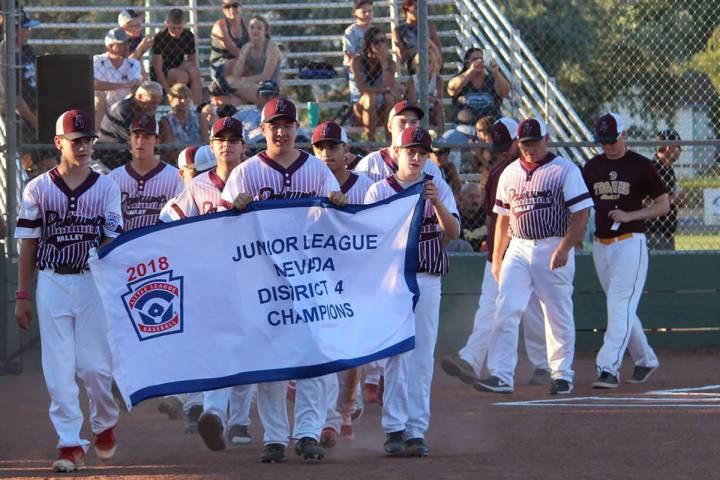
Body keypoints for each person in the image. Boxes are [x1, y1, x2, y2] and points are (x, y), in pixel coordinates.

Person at [218, 98, 348, 463]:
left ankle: (307, 432)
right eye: (274, 124)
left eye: (287, 124)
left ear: (296, 129)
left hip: (308, 277)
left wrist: (338, 203)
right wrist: (235, 208)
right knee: (270, 357)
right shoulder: (245, 173)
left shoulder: (316, 170)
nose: (281, 130)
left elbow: (336, 223)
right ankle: (274, 435)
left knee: (312, 356)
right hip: (264, 278)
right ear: (262, 130)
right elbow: (222, 225)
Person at [14, 110, 122, 472]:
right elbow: (28, 244)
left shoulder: (105, 186)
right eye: (76, 141)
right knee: (58, 369)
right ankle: (70, 443)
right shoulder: (38, 188)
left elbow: (112, 239)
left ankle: (104, 422)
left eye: (88, 140)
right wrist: (22, 295)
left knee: (94, 368)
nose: (85, 146)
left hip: (91, 280)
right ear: (59, 143)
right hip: (52, 281)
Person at [475, 117, 593, 395]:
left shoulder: (565, 170)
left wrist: (564, 247)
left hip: (552, 244)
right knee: (505, 310)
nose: (530, 149)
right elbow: (503, 219)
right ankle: (502, 374)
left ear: (546, 140)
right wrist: (498, 256)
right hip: (518, 246)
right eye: (525, 144)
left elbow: (581, 215)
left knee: (557, 313)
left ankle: (562, 374)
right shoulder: (510, 172)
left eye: (534, 143)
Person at [365, 126, 460, 457]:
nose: (416, 157)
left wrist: (437, 205)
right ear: (397, 154)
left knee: (422, 358)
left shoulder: (437, 188)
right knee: (396, 355)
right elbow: (367, 240)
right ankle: (394, 428)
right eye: (410, 151)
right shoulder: (379, 190)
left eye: (422, 152)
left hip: (428, 279)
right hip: (392, 283)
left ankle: (416, 429)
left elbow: (454, 231)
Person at [442, 118, 552, 390]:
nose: (505, 151)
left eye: (509, 144)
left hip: (533, 249)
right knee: (491, 310)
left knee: (533, 312)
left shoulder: (545, 168)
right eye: (500, 146)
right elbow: (495, 219)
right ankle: (473, 360)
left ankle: (543, 365)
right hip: (505, 252)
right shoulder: (500, 171)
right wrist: (496, 251)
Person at [582, 113, 669, 388]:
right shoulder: (592, 166)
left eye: (612, 140)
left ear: (624, 135)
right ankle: (645, 358)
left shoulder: (641, 166)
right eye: (603, 141)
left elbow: (663, 204)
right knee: (620, 306)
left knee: (619, 305)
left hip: (630, 243)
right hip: (601, 245)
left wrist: (632, 215)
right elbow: (583, 204)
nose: (607, 146)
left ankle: (608, 367)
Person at [310, 121, 373, 449]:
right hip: (318, 278)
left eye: (333, 147)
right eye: (320, 147)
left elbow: (376, 230)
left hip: (355, 278)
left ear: (346, 152)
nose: (326, 153)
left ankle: (345, 410)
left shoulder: (366, 187)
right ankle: (330, 418)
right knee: (322, 350)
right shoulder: (308, 182)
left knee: (352, 354)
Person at [108, 114, 184, 231]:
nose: (140, 142)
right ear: (129, 139)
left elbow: (179, 222)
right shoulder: (114, 178)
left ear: (157, 141)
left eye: (146, 137)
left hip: (160, 245)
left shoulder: (174, 177)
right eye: (136, 136)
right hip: (125, 246)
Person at [354, 100, 443, 182]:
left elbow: (442, 197)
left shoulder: (430, 167)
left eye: (413, 122)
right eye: (402, 122)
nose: (408, 127)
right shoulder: (370, 164)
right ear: (389, 126)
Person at [349, 27, 403, 142]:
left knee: (389, 98)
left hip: (381, 109)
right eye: (376, 41)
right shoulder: (357, 61)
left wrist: (383, 65)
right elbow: (362, 89)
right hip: (360, 106)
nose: (380, 44)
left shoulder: (390, 64)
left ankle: (390, 141)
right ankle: (371, 142)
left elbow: (389, 87)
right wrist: (382, 90)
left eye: (383, 40)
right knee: (370, 98)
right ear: (368, 44)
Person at [97, 81, 163, 168]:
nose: (155, 106)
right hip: (110, 155)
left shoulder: (146, 109)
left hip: (127, 153)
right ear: (139, 97)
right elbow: (132, 140)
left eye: (158, 103)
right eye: (153, 102)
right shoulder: (123, 109)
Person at [224, 16, 282, 104]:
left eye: (259, 28)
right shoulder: (246, 47)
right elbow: (236, 74)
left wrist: (242, 81)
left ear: (265, 31)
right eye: (251, 27)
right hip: (251, 86)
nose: (255, 31)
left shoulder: (271, 47)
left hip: (268, 89)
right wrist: (244, 53)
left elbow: (266, 76)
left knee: (231, 83)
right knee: (232, 101)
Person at [93, 27, 143, 130]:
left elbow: (135, 87)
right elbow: (94, 84)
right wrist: (125, 85)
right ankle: (96, 137)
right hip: (103, 104)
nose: (127, 46)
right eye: (122, 44)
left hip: (124, 104)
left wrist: (132, 87)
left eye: (127, 43)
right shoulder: (98, 60)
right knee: (99, 97)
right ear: (111, 46)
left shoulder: (133, 63)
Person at [151, 8, 202, 104]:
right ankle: (177, 103)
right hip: (164, 69)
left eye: (180, 28)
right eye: (173, 28)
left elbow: (192, 61)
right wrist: (168, 92)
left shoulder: (188, 35)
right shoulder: (160, 37)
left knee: (194, 70)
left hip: (179, 65)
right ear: (167, 23)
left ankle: (197, 106)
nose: (177, 31)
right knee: (182, 76)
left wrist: (187, 69)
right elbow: (158, 69)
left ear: (184, 24)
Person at [447, 48, 510, 125]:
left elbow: (505, 93)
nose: (479, 61)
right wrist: (471, 70)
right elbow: (452, 88)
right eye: (474, 59)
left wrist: (496, 72)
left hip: (491, 126)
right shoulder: (461, 79)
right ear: (467, 64)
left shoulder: (493, 80)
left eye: (481, 59)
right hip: (464, 127)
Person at [647, 129, 685, 250]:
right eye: (679, 147)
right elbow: (644, 201)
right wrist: (673, 200)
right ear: (669, 147)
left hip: (667, 234)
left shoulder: (669, 170)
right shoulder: (651, 168)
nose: (680, 151)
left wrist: (677, 200)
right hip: (653, 233)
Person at [209, 0, 250, 95]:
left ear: (241, 6)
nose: (231, 9)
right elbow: (234, 50)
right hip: (220, 66)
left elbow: (256, 46)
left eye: (235, 5)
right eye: (227, 6)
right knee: (238, 64)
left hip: (242, 63)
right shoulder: (220, 25)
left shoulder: (247, 24)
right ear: (223, 9)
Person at [392, 0, 442, 74]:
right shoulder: (398, 31)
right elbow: (403, 55)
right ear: (406, 10)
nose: (419, 11)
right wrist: (423, 45)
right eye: (416, 8)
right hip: (414, 65)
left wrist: (426, 45)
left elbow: (438, 48)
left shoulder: (428, 25)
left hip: (432, 60)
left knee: (431, 57)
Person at [159, 83, 201, 163]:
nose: (183, 101)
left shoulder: (199, 117)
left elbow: (205, 143)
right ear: (171, 100)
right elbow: (169, 152)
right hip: (176, 162)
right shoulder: (166, 121)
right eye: (179, 97)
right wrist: (187, 159)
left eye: (186, 97)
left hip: (198, 160)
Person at [406, 47, 445, 131]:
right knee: (418, 105)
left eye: (429, 62)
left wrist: (430, 99)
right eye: (422, 62)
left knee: (438, 106)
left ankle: (442, 135)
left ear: (434, 64)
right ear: (416, 65)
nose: (426, 65)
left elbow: (440, 99)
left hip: (432, 109)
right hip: (417, 109)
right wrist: (427, 98)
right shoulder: (412, 80)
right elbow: (412, 101)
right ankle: (419, 132)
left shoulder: (438, 79)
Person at [342, 0, 374, 77]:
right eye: (364, 12)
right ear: (355, 14)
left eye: (370, 11)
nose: (368, 14)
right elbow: (350, 54)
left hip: (372, 66)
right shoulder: (351, 31)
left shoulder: (374, 30)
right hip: (354, 66)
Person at [458, 182, 486, 251]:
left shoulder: (485, 215)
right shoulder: (455, 216)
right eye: (470, 197)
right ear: (460, 199)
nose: (475, 201)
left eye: (478, 196)